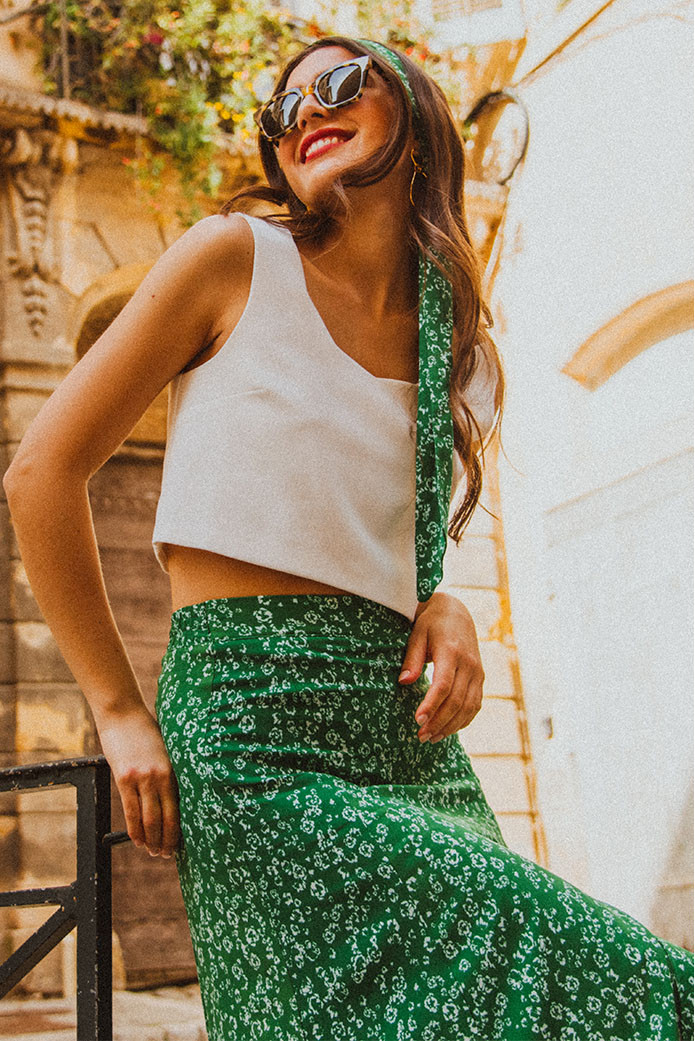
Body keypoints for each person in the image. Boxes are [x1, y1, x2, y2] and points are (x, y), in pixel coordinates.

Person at [4, 34, 693, 1041]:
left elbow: (390, 546)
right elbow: (39, 473)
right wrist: (115, 709)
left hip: (402, 736)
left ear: (415, 113)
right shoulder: (231, 257)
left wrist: (444, 604)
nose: (303, 115)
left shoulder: (459, 351)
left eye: (333, 84)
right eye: (279, 111)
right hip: (251, 734)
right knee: (544, 952)